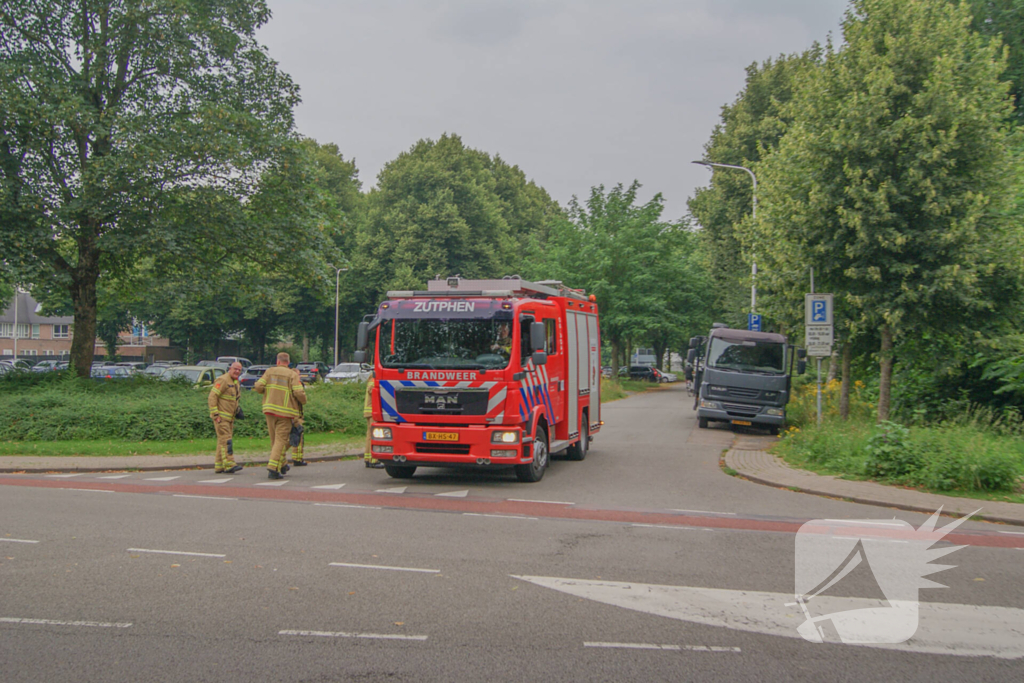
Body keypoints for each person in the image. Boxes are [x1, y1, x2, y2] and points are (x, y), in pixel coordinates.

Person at [254, 352, 307, 479]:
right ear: (288, 363)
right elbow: (298, 392)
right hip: (285, 412)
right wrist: (304, 400)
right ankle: (273, 468)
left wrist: (267, 392)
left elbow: (258, 386)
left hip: (269, 410)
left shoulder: (269, 371)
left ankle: (282, 464)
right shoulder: (292, 374)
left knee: (274, 440)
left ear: (278, 362)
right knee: (281, 440)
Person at [208, 362, 244, 474]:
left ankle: (219, 466)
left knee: (222, 441)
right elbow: (212, 397)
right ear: (230, 369)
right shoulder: (223, 380)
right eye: (235, 369)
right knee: (226, 440)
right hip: (221, 417)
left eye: (239, 370)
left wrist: (237, 410)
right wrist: (215, 414)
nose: (237, 371)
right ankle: (229, 464)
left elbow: (234, 399)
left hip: (230, 418)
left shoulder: (235, 382)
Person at [364, 371, 384, 468]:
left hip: (369, 412)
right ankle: (373, 460)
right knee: (373, 435)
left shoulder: (370, 381)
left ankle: (367, 459)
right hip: (372, 412)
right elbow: (373, 392)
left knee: (369, 436)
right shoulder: (373, 381)